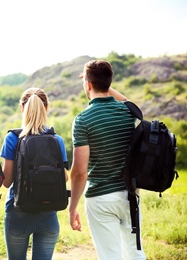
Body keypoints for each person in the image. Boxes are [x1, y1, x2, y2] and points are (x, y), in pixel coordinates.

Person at [69, 60, 146, 260]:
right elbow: (129, 102)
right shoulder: (128, 112)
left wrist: (72, 207)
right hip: (130, 195)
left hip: (100, 198)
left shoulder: (83, 120)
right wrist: (102, 82)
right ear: (108, 83)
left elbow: (79, 172)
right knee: (135, 254)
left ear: (87, 84)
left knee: (109, 257)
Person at [0, 87, 69, 259]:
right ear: (46, 108)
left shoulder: (12, 138)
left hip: (18, 212)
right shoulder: (56, 140)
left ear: (22, 108)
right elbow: (64, 178)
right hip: (48, 213)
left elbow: (6, 182)